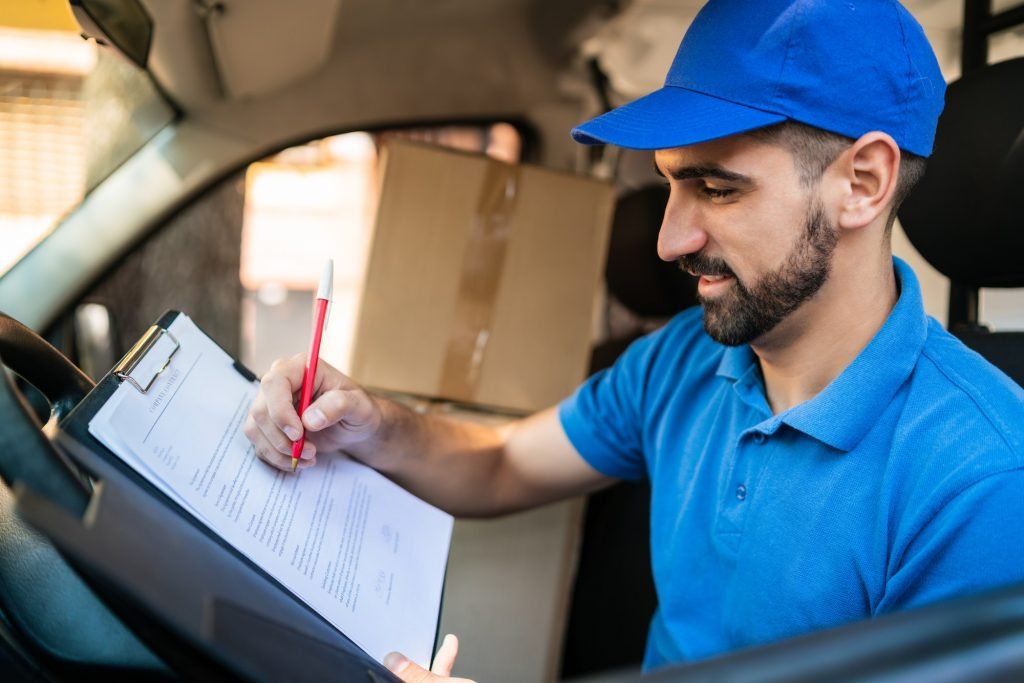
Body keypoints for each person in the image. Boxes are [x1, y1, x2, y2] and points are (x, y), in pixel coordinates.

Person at [245, 0, 1024, 680]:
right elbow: (504, 462)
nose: (669, 239)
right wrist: (373, 424)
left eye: (717, 187)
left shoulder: (982, 480)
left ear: (862, 183)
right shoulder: (686, 358)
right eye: (670, 183)